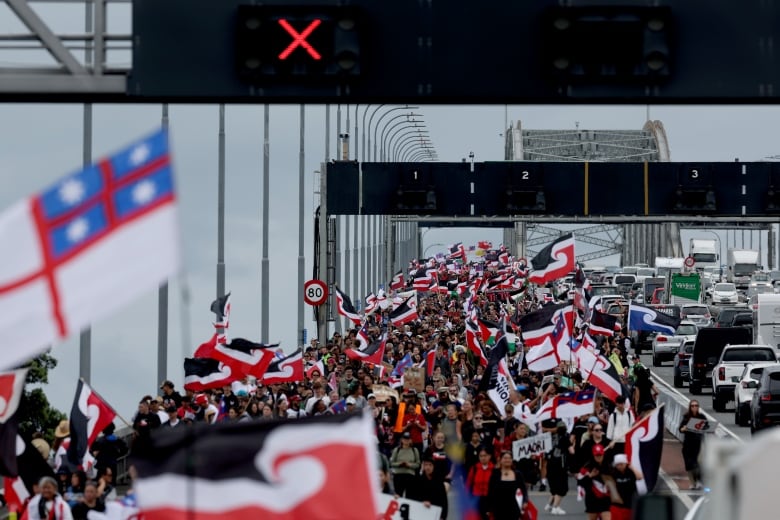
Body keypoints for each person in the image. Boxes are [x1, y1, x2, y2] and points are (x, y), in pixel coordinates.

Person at [487, 451, 528, 520]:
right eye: (505, 458)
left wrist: (525, 501)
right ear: (500, 460)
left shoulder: (517, 474)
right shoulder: (495, 473)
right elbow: (490, 491)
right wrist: (489, 508)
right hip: (498, 507)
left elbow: (523, 489)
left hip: (514, 507)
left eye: (509, 458)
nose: (507, 460)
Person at [407, 456, 449, 520]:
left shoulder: (439, 482)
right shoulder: (417, 480)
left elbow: (444, 501)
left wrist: (442, 517)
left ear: (434, 467)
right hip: (420, 513)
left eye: (430, 465)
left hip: (434, 514)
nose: (428, 467)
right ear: (423, 467)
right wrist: (422, 502)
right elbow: (411, 497)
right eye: (426, 465)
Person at [579, 444, 612, 520]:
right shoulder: (587, 466)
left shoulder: (609, 466)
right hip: (592, 498)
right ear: (593, 455)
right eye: (596, 455)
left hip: (606, 498)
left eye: (600, 455)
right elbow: (581, 482)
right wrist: (590, 476)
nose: (598, 457)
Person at [607, 454, 644, 520]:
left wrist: (632, 467)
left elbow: (640, 477)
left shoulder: (630, 472)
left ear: (625, 463)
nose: (619, 466)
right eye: (617, 464)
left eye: (621, 464)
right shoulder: (614, 472)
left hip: (630, 504)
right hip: (617, 504)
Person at [544, 421, 570, 516]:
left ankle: (549, 504)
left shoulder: (550, 438)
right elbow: (571, 450)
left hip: (550, 465)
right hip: (561, 465)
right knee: (562, 487)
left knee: (554, 487)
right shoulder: (565, 438)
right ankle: (556, 506)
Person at [679, 400, 705, 489]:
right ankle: (692, 483)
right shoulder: (686, 417)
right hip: (688, 444)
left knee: (698, 463)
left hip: (698, 443)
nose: (694, 407)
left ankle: (699, 480)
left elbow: (707, 427)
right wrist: (685, 428)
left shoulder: (701, 417)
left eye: (696, 405)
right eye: (692, 406)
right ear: (690, 407)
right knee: (688, 464)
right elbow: (680, 429)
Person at [466, 447, 494, 520]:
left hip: (489, 499)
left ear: (489, 456)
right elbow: (468, 483)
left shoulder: (494, 469)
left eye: (485, 456)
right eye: (481, 456)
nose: (483, 458)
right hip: (476, 498)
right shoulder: (474, 468)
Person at [389, 432, 420, 497]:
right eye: (405, 439)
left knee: (410, 496)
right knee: (398, 495)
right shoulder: (396, 450)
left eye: (408, 439)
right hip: (398, 475)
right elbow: (391, 463)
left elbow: (418, 464)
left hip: (410, 476)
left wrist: (410, 465)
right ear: (402, 440)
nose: (406, 441)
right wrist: (399, 464)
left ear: (411, 440)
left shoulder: (414, 450)